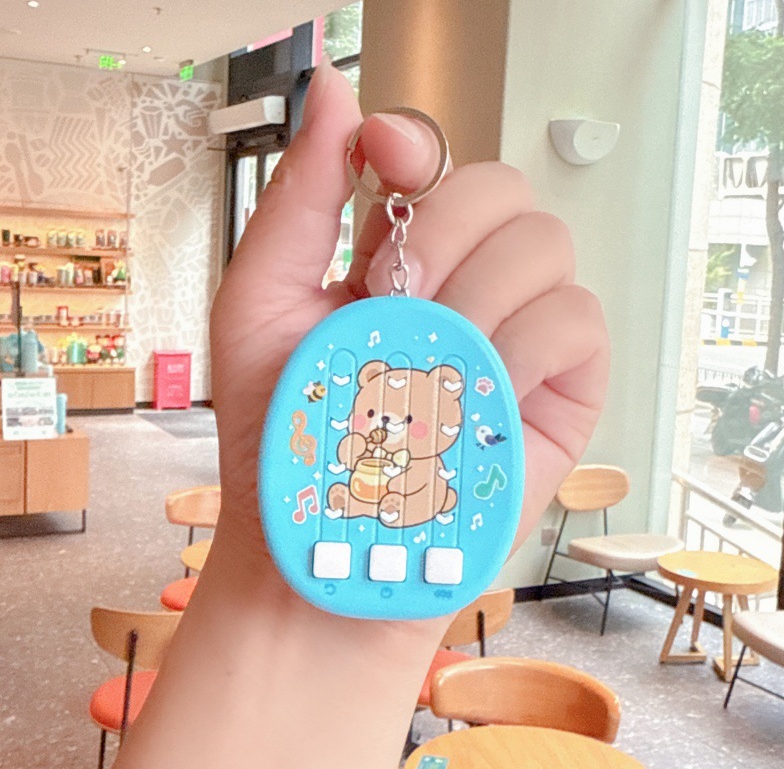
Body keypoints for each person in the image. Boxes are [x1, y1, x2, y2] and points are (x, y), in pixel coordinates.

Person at [115, 55, 609, 768]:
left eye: (407, 419)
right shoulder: (343, 428)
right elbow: (336, 462)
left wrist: (355, 648)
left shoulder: (437, 452)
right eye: (377, 412)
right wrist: (273, 582)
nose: (386, 425)